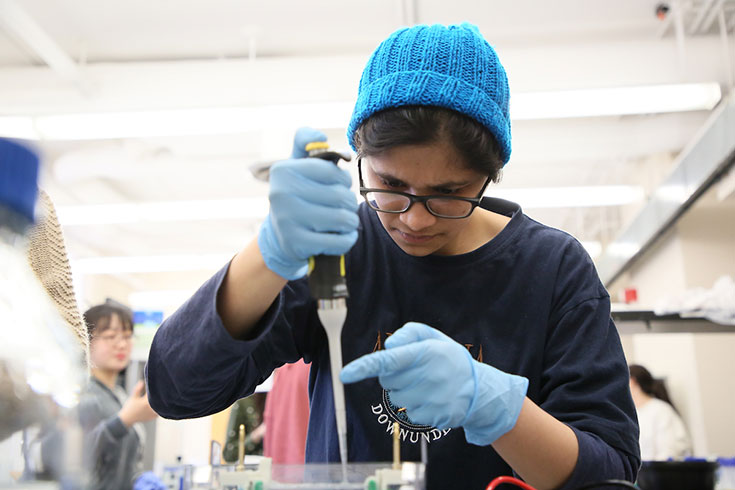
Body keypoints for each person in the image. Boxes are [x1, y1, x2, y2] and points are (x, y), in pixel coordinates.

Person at [146, 22, 640, 489]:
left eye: (449, 192)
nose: (415, 219)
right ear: (358, 153)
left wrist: (498, 409)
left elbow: (611, 474)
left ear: (491, 175)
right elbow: (176, 391)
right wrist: (269, 253)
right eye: (389, 185)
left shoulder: (553, 268)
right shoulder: (338, 249)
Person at [79, 302, 158, 490]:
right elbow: (75, 455)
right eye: (110, 336)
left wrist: (137, 478)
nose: (122, 344)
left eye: (127, 336)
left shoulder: (120, 396)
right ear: (86, 340)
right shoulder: (81, 394)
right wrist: (123, 420)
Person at [629, 364, 691, 461]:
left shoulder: (661, 411)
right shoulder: (632, 413)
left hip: (658, 473)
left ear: (632, 382)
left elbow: (668, 453)